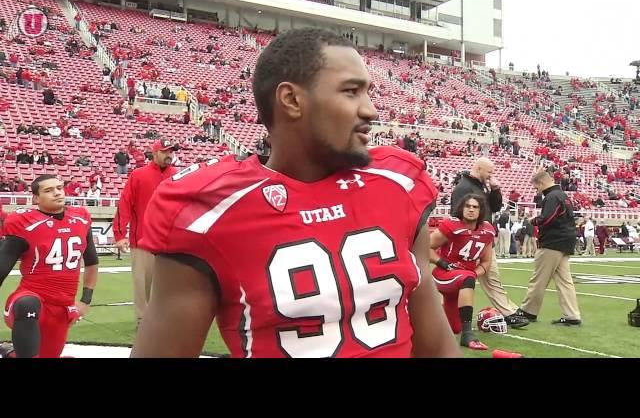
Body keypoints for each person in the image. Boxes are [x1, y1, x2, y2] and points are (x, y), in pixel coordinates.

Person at [131, 28, 461, 358]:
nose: (370, 110)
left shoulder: (398, 183)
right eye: (351, 91)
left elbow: (436, 345)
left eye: (368, 92)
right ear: (291, 100)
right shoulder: (211, 211)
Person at [0, 175, 98, 358]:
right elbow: (2, 267)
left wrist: (85, 300)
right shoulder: (24, 223)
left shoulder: (81, 218)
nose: (57, 193)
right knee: (27, 303)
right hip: (30, 299)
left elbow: (92, 262)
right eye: (48, 190)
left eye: (59, 188)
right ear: (36, 199)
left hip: (62, 307)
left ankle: (9, 352)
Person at [450, 158, 529, 328]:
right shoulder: (463, 188)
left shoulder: (479, 186)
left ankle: (508, 311)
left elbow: (495, 207)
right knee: (470, 280)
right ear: (478, 168)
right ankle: (508, 312)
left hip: (482, 240)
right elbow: (457, 215)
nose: (491, 175)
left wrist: (495, 189)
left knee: (491, 277)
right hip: (470, 243)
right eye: (489, 172)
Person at [113, 139, 177, 328]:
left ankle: (165, 320)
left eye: (172, 152)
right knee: (143, 285)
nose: (170, 156)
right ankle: (143, 322)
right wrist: (119, 234)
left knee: (169, 285)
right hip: (143, 241)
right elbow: (124, 204)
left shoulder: (177, 175)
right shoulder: (138, 175)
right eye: (166, 152)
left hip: (171, 243)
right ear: (155, 153)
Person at [429, 194, 496, 350]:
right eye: (468, 206)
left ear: (481, 211)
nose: (471, 210)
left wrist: (474, 273)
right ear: (461, 208)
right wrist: (442, 263)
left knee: (454, 328)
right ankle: (468, 335)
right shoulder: (452, 226)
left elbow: (486, 262)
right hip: (443, 274)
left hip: (463, 280)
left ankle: (431, 322)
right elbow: (426, 247)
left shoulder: (487, 231)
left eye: (475, 207)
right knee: (466, 278)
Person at [516, 170, 581, 326]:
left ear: (541, 182)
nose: (536, 191)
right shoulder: (563, 196)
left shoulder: (551, 197)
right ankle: (572, 315)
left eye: (535, 187)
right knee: (564, 281)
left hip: (553, 242)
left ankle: (528, 311)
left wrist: (534, 220)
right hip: (565, 242)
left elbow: (547, 219)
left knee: (539, 278)